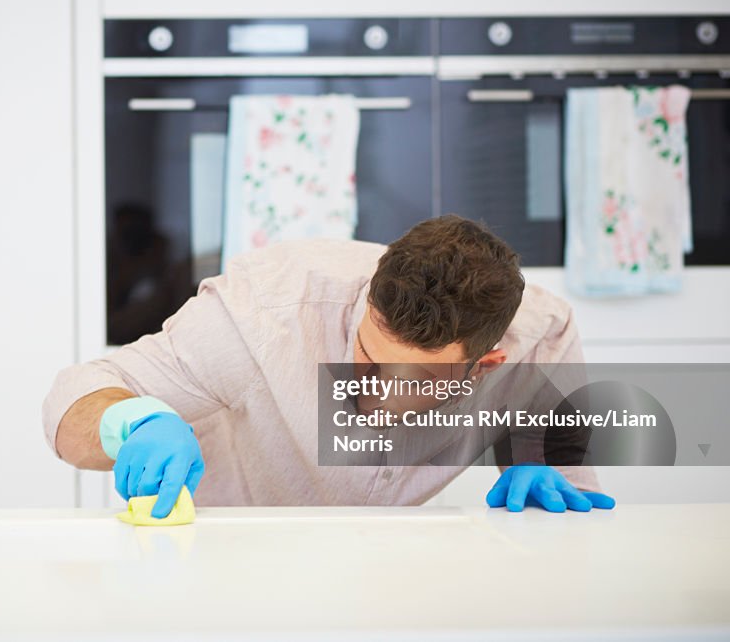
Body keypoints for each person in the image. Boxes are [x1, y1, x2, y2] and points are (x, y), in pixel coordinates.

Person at [42, 215, 615, 518]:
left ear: (485, 365)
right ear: (369, 301)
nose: (378, 392)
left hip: (378, 589)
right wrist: (132, 422)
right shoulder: (265, 311)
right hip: (224, 575)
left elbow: (567, 502)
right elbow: (76, 400)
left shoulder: (543, 337)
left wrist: (551, 491)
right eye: (368, 356)